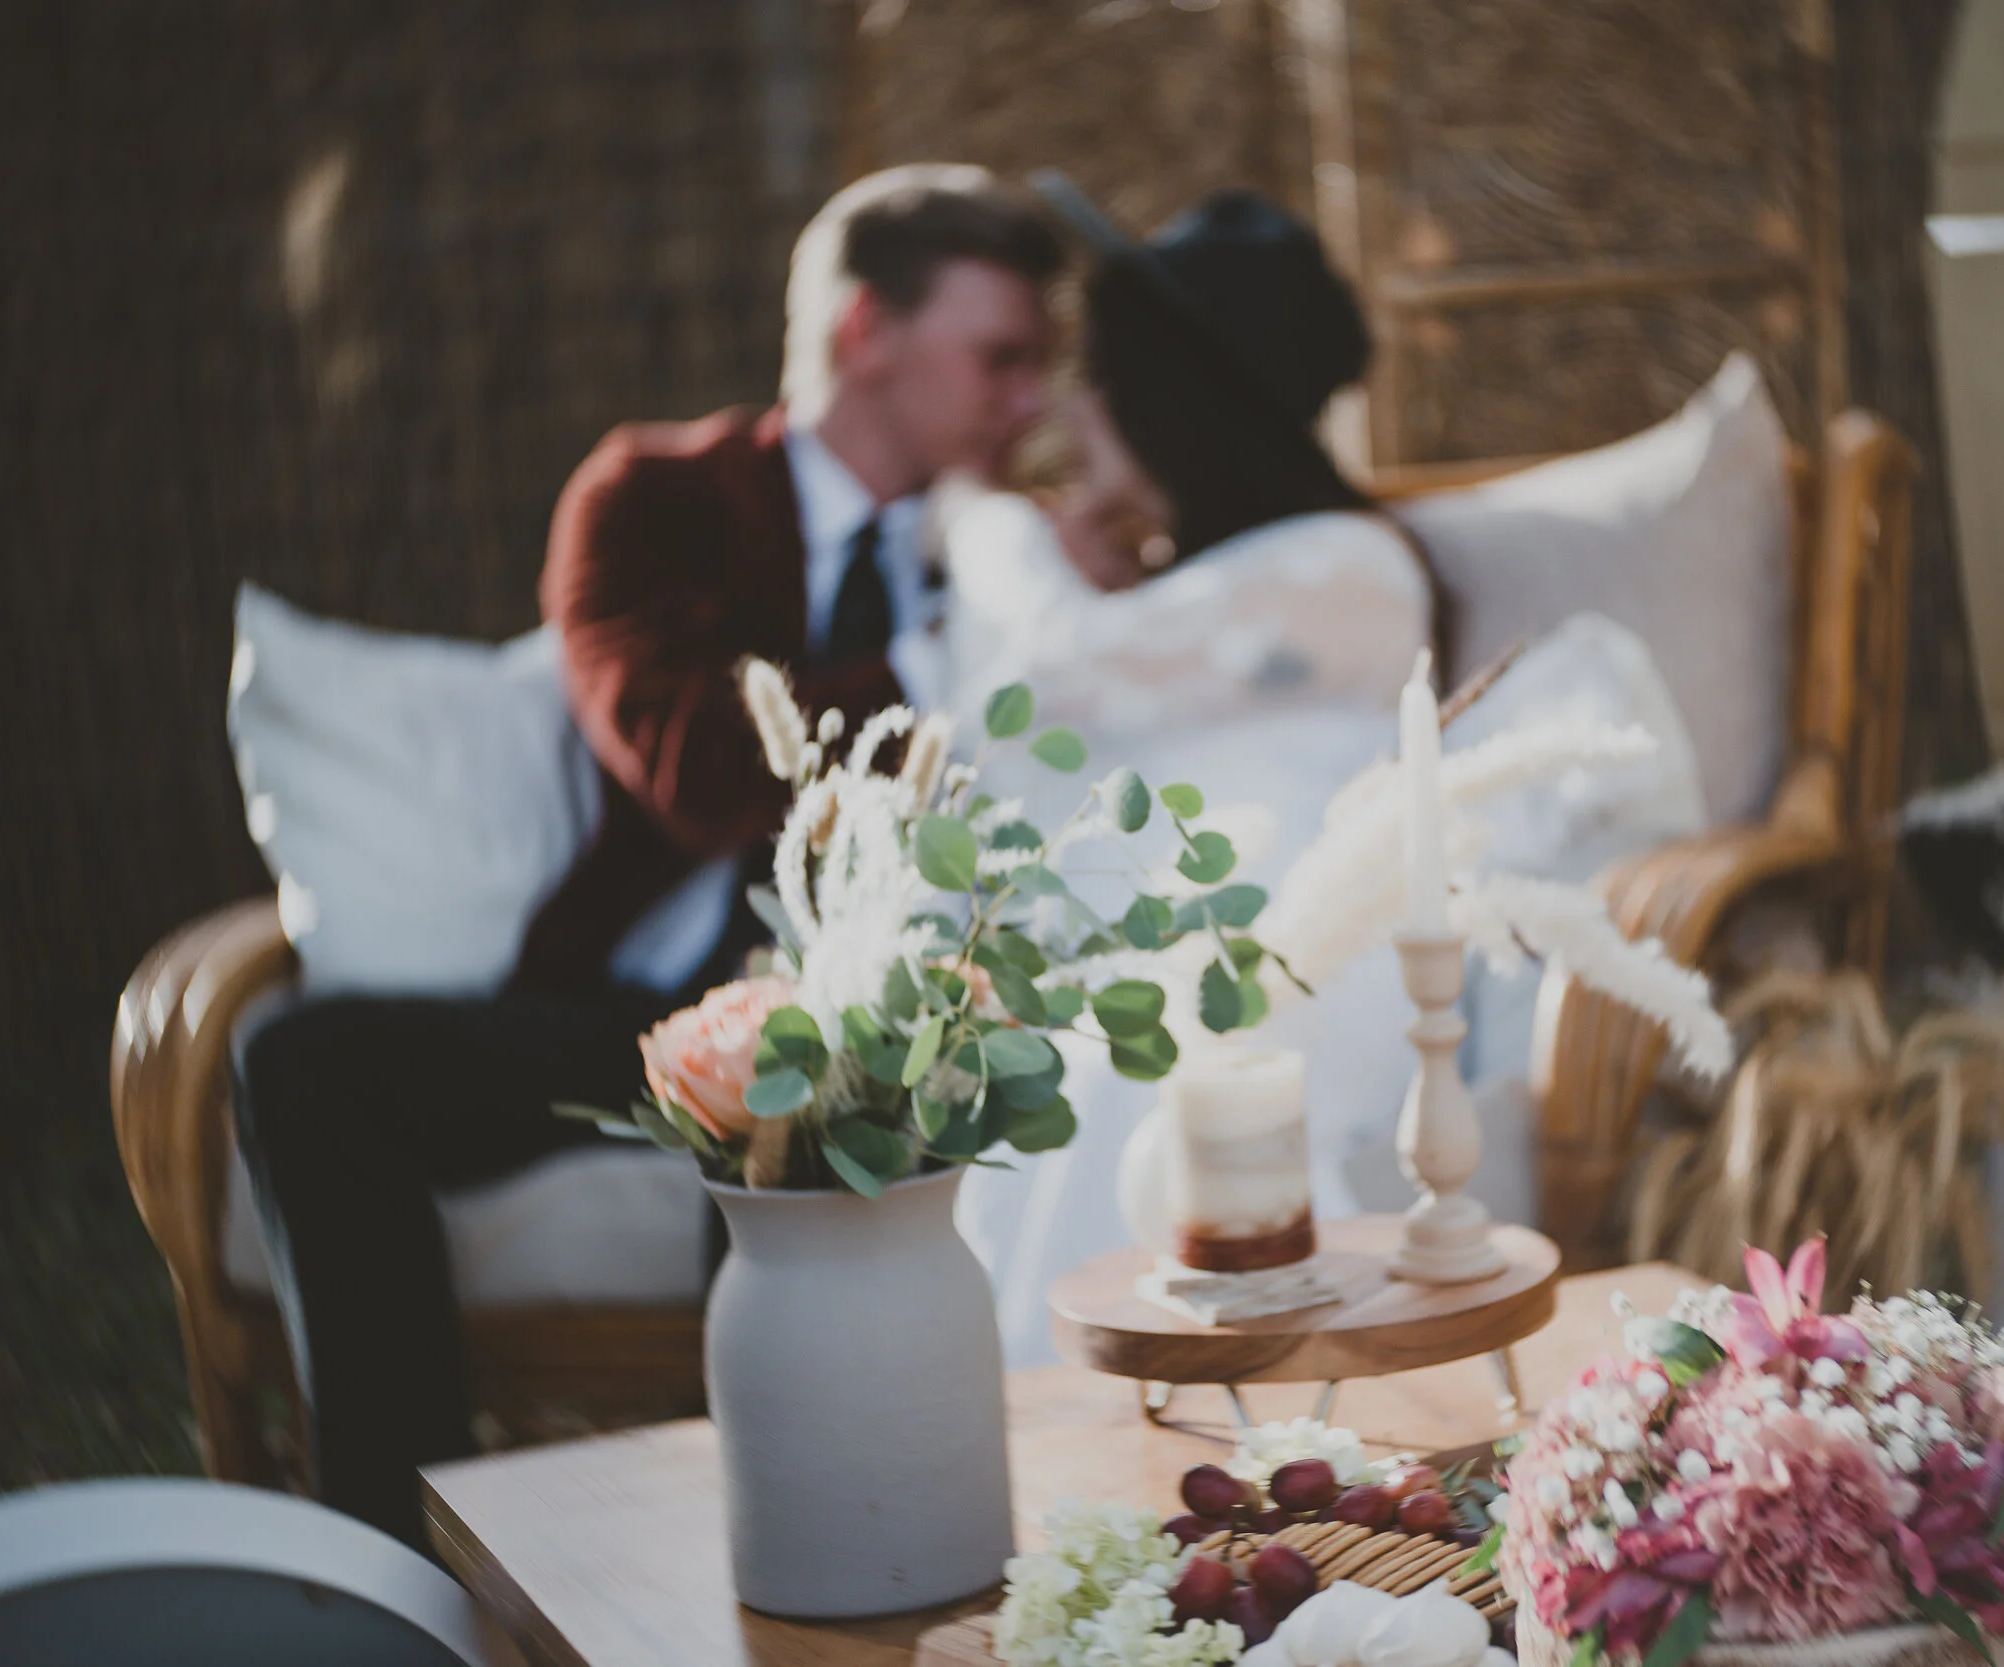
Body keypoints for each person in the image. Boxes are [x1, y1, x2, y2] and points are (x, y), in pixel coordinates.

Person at [233, 165, 1062, 1544]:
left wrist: (1021, 584)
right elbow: (687, 764)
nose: (1028, 401)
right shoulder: (651, 495)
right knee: (299, 1060)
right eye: (1001, 356)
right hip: (628, 1014)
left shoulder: (1026, 546)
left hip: (901, 1017)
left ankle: (768, 1557)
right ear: (867, 332)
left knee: (803, 1098)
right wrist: (933, 658)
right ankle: (410, 1556)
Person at [945, 178, 1448, 1364]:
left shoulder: (1346, 562)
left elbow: (1050, 678)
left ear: (1172, 404)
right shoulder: (1174, 584)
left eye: (1100, 375)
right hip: (1179, 911)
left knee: (1130, 1058)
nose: (1073, 404)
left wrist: (980, 521)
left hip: (1284, 929)